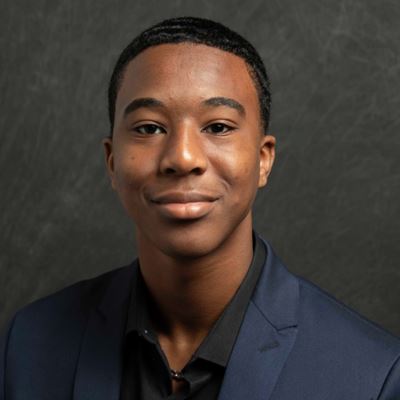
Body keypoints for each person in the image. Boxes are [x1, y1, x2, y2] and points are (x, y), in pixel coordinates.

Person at [1, 16, 399, 400]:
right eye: (149, 128)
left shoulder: (373, 376)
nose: (183, 157)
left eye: (218, 127)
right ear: (112, 161)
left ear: (263, 160)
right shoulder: (28, 344)